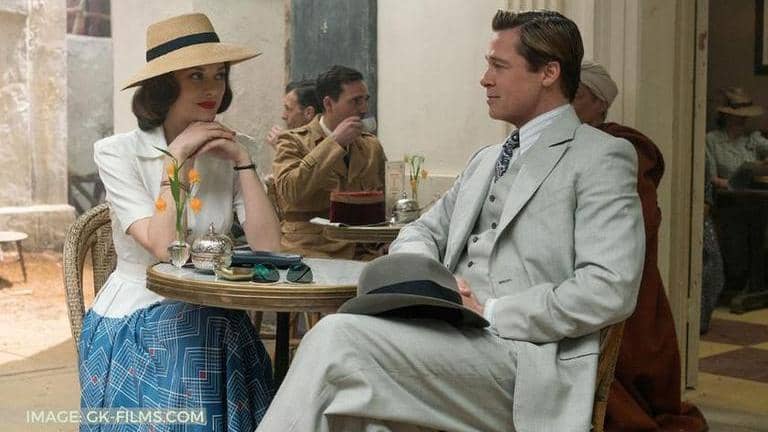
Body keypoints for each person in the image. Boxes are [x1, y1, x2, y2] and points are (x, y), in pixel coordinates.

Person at [257, 10, 644, 431]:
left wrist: (493, 310)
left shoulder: (600, 156)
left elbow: (609, 287)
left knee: (337, 339)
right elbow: (419, 230)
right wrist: (435, 282)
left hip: (527, 361)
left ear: (549, 73)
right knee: (360, 409)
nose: (484, 79)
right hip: (446, 337)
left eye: (499, 66)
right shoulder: (486, 160)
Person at [80, 13, 280, 430]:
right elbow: (162, 246)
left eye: (219, 75)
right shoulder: (117, 152)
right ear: (164, 86)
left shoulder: (232, 148)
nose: (212, 89)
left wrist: (244, 162)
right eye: (196, 76)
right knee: (201, 331)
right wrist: (176, 161)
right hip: (136, 315)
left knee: (214, 326)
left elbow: (269, 251)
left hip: (215, 314)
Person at [574, 60, 708, 432]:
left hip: (619, 280)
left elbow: (639, 223)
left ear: (600, 104)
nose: (568, 105)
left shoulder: (626, 149)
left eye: (578, 97)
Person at [272, 65, 386, 259]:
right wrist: (334, 142)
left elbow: (381, 203)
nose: (364, 109)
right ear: (328, 103)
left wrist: (385, 242)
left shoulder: (370, 146)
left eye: (365, 100)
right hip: (312, 251)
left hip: (363, 252)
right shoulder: (293, 141)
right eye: (355, 101)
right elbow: (291, 191)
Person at [705, 87, 768, 294]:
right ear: (726, 116)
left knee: (759, 237)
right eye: (737, 116)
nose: (742, 120)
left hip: (755, 200)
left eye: (744, 117)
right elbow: (711, 177)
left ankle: (755, 286)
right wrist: (730, 183)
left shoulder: (752, 140)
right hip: (728, 202)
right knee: (736, 243)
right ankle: (736, 285)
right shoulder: (712, 140)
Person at [266, 80, 322, 149]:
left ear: (308, 113)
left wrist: (283, 147)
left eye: (288, 109)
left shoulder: (324, 147)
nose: (283, 116)